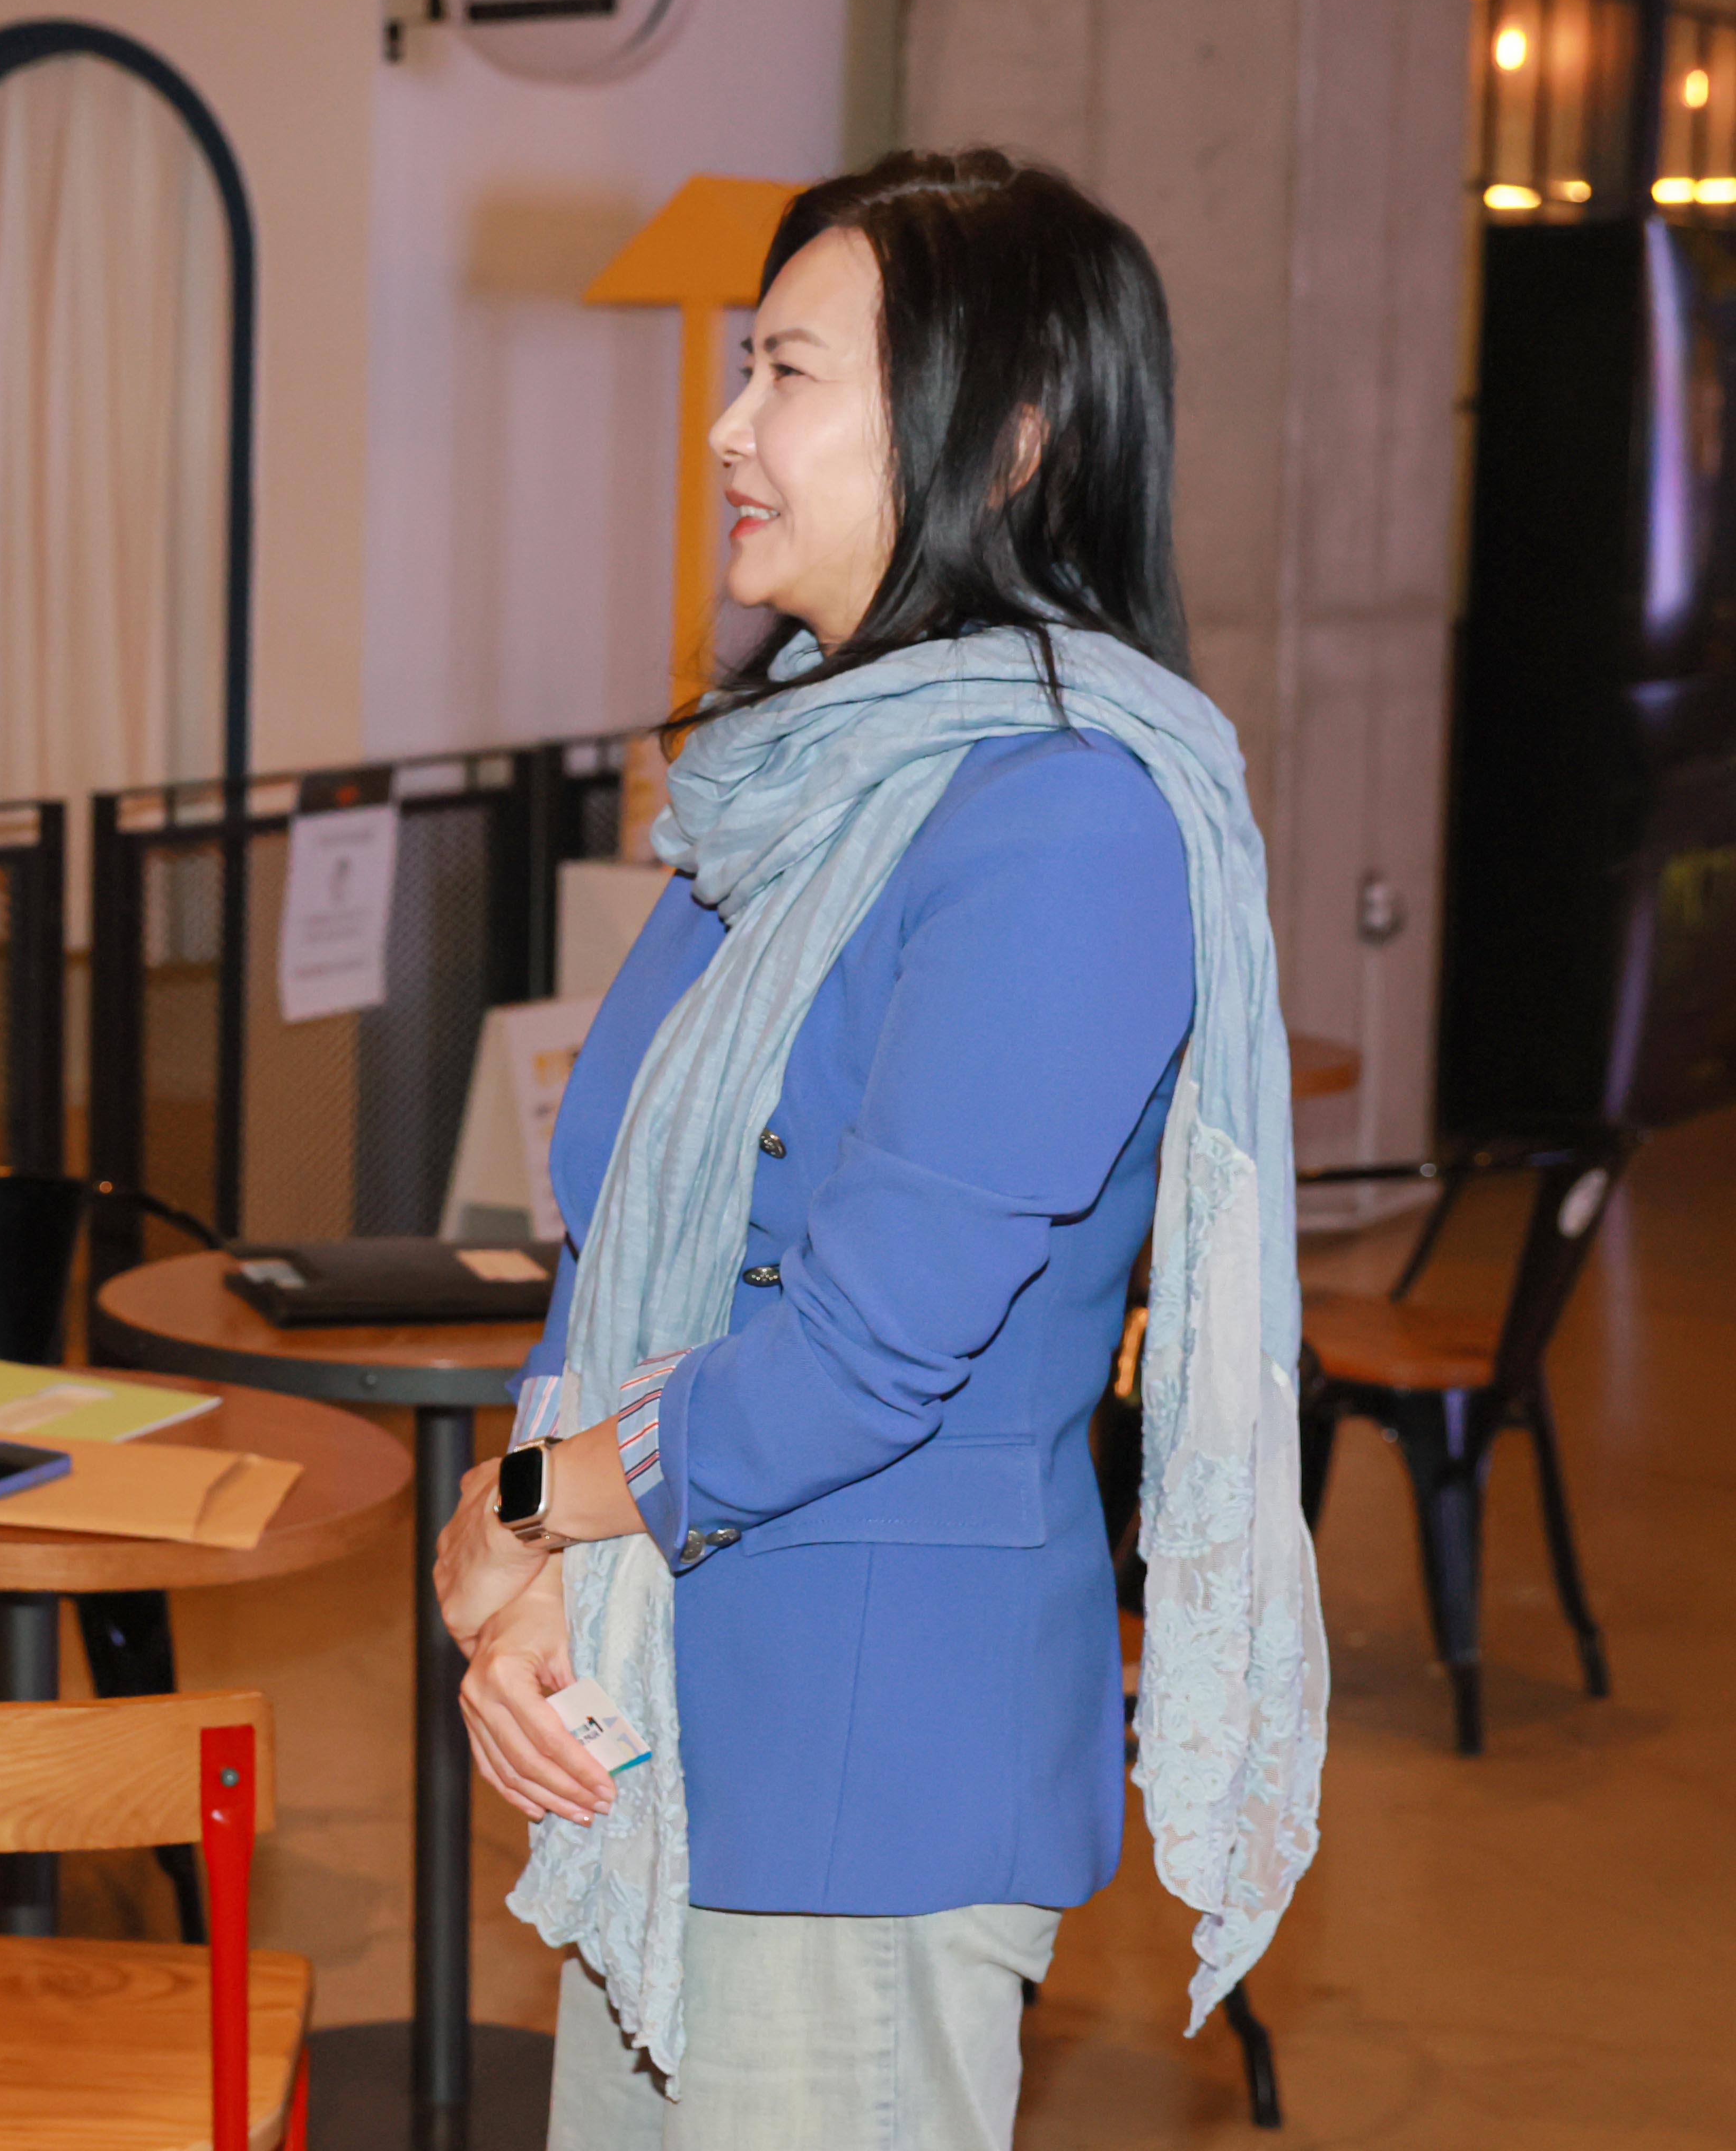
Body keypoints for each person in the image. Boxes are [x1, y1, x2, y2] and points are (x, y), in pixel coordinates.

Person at [434, 151, 1324, 2149]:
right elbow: (620, 1239)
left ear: (1001, 440)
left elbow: (864, 1349)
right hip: (650, 1719)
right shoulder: (789, 777)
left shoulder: (1067, 816)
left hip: (864, 1763)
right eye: (742, 370)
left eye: (788, 374)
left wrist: (528, 1504)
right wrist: (538, 1591)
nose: (727, 429)